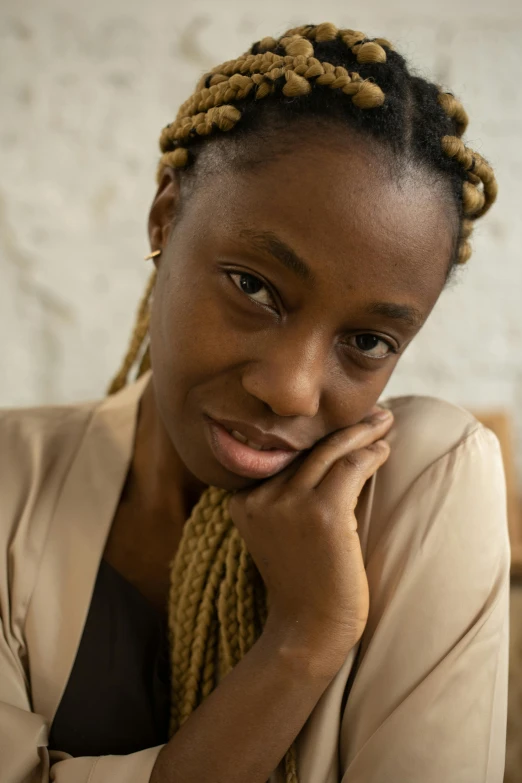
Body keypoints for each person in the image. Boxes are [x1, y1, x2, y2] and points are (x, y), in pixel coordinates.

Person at [0, 21, 510, 783]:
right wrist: (304, 639)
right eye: (254, 287)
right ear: (165, 218)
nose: (291, 388)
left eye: (368, 341)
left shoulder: (424, 485)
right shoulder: (11, 479)